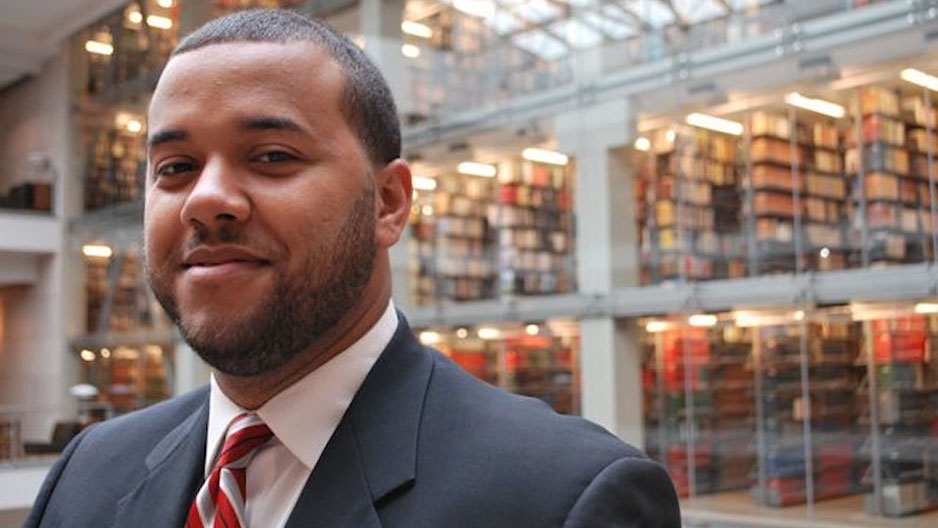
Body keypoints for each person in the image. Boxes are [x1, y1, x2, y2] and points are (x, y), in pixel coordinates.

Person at [25, 9, 680, 528]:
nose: (205, 200)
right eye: (175, 168)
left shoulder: (564, 500)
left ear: (388, 204)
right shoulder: (88, 475)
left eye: (273, 156)